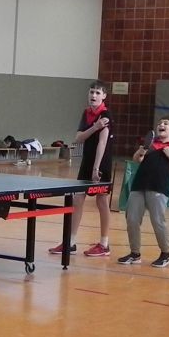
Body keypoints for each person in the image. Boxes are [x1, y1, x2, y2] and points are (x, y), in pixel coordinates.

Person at [52, 81, 115, 258]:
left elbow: (102, 143)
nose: (93, 95)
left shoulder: (106, 115)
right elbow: (78, 138)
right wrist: (95, 127)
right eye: (91, 92)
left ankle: (104, 244)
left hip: (101, 163)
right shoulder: (86, 114)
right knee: (78, 200)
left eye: (97, 93)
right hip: (86, 162)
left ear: (104, 96)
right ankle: (70, 242)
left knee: (102, 201)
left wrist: (96, 168)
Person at [118, 117, 169, 268]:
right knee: (132, 219)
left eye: (166, 123)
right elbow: (137, 159)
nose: (161, 125)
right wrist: (142, 150)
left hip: (158, 188)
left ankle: (166, 254)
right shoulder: (151, 146)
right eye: (160, 123)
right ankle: (135, 254)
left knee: (158, 222)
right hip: (138, 186)